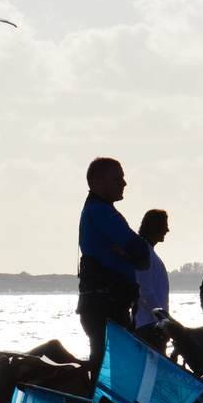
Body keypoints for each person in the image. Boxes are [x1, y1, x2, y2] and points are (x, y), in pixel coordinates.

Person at [77, 157, 151, 372]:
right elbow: (141, 250)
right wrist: (131, 253)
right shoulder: (100, 211)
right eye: (117, 178)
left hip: (109, 305)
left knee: (112, 369)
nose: (124, 183)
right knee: (109, 371)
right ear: (97, 183)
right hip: (103, 305)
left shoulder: (100, 210)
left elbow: (143, 257)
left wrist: (131, 252)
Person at [134, 209, 171, 354]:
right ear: (155, 227)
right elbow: (146, 291)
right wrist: (163, 321)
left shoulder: (148, 250)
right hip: (149, 326)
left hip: (153, 324)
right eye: (165, 225)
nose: (167, 230)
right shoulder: (144, 252)